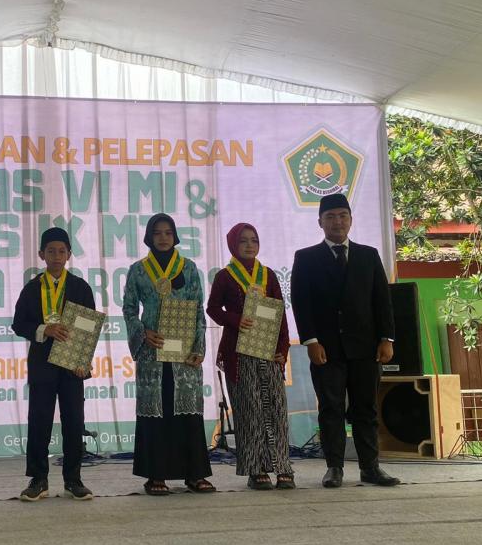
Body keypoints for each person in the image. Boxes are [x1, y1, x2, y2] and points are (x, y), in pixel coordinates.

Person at [291, 193, 400, 488]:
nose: (337, 222)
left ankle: (370, 468)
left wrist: (387, 338)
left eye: (342, 216)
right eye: (330, 217)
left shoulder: (368, 255)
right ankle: (334, 468)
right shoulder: (306, 257)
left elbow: (382, 302)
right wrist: (311, 341)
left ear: (351, 220)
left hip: (366, 348)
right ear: (320, 222)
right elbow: (301, 303)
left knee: (366, 409)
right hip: (326, 349)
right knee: (331, 409)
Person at [122, 213, 214, 495]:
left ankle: (195, 474)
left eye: (168, 232)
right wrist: (142, 332)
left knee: (188, 411)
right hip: (152, 352)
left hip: (184, 353)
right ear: (149, 237)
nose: (163, 238)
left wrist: (199, 348)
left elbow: (198, 309)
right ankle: (156, 475)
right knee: (155, 411)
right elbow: (129, 309)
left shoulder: (188, 268)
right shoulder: (138, 270)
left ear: (175, 236)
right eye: (157, 233)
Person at [11, 227, 96, 502]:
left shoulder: (81, 288)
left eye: (61, 251)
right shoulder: (32, 288)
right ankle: (38, 479)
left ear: (69, 254)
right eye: (51, 251)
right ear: (41, 254)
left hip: (72, 365)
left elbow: (89, 327)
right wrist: (43, 330)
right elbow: (18, 324)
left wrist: (83, 360)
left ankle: (74, 479)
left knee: (74, 421)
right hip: (42, 363)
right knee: (39, 421)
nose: (56, 256)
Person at [207, 223, 294, 490]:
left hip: (268, 351)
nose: (249, 245)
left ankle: (282, 467)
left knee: (276, 409)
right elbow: (212, 309)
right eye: (243, 240)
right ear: (233, 244)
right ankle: (256, 470)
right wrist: (236, 319)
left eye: (253, 240)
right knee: (250, 410)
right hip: (239, 351)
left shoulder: (268, 275)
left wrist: (283, 349)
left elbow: (279, 313)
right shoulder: (224, 276)